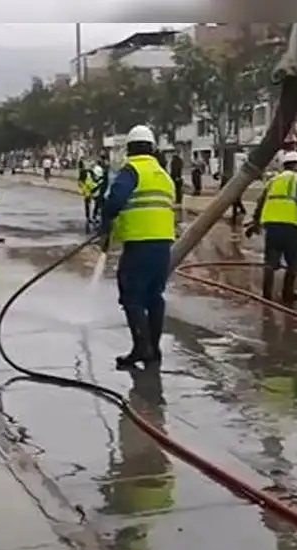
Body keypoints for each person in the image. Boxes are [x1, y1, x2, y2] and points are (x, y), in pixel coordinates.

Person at [99, 125, 175, 370]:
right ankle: (153, 349)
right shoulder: (163, 175)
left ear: (129, 149)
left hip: (139, 244)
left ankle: (141, 347)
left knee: (132, 296)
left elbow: (116, 200)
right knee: (154, 296)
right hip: (163, 244)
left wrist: (107, 221)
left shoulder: (131, 171)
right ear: (152, 148)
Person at [245, 150, 297, 304]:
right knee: (293, 262)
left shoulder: (273, 180)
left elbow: (260, 202)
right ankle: (287, 293)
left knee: (270, 261)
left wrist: (255, 223)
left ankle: (267, 295)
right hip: (292, 226)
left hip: (272, 225)